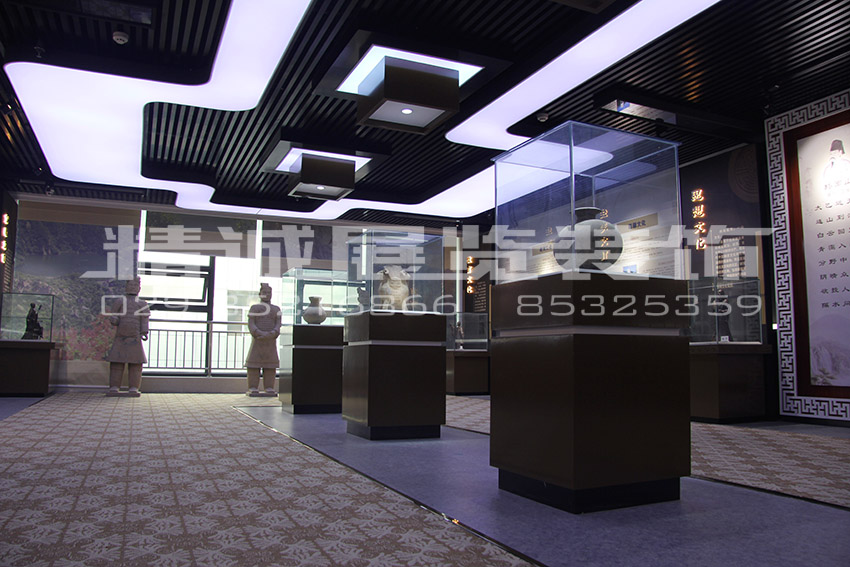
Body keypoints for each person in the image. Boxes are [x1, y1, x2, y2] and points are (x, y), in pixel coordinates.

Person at [105, 277, 149, 396]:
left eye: (135, 286)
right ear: (126, 287)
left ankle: (133, 387)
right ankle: (114, 386)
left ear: (139, 288)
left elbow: (144, 319)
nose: (133, 288)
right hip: (121, 336)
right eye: (130, 285)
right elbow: (114, 315)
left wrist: (144, 331)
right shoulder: (120, 301)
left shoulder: (142, 303)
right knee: (116, 362)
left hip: (135, 336)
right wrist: (114, 319)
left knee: (136, 363)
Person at [244, 283, 281, 395]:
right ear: (260, 294)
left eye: (269, 292)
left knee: (270, 366)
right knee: (253, 365)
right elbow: (251, 323)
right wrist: (258, 332)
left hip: (270, 342)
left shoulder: (276, 309)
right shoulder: (254, 308)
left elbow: (278, 325)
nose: (267, 294)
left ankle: (269, 387)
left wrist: (272, 333)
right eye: (265, 292)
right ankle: (252, 387)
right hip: (258, 340)